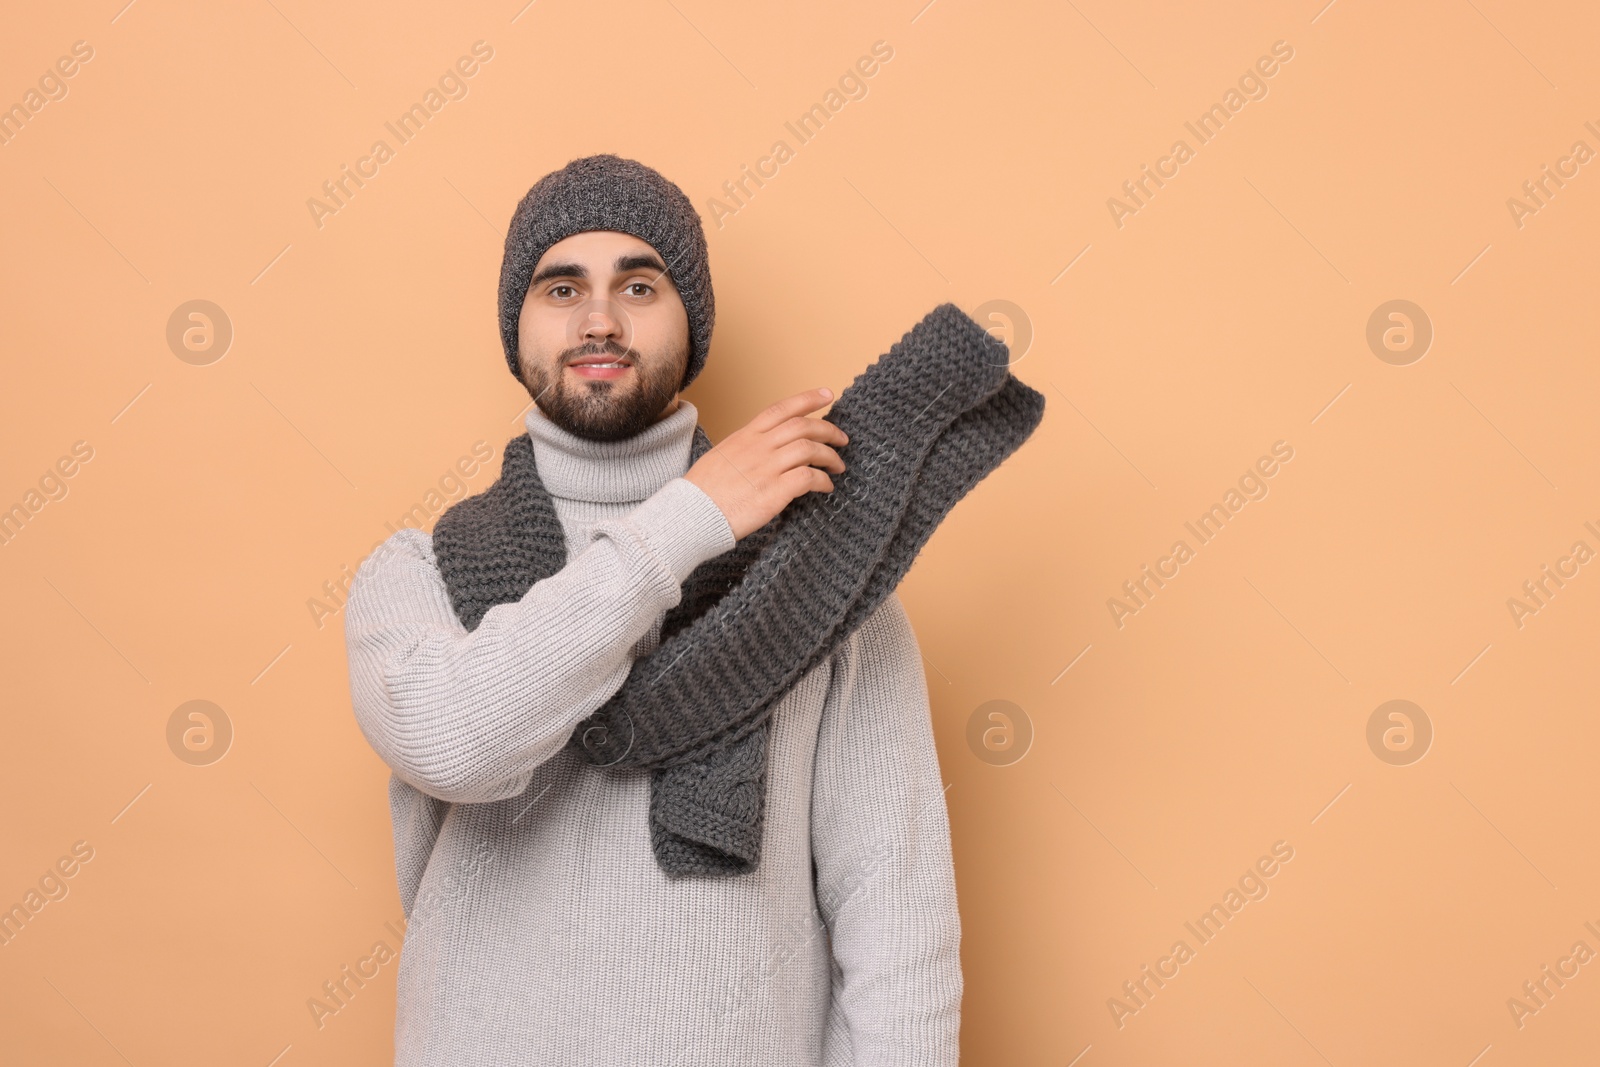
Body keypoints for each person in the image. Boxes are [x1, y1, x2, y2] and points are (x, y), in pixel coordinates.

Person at [343, 153, 962, 1065]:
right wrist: (688, 520)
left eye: (639, 283)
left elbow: (897, 919)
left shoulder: (823, 576)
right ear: (515, 325)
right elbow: (453, 741)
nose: (600, 319)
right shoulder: (418, 572)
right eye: (562, 287)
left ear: (691, 321)